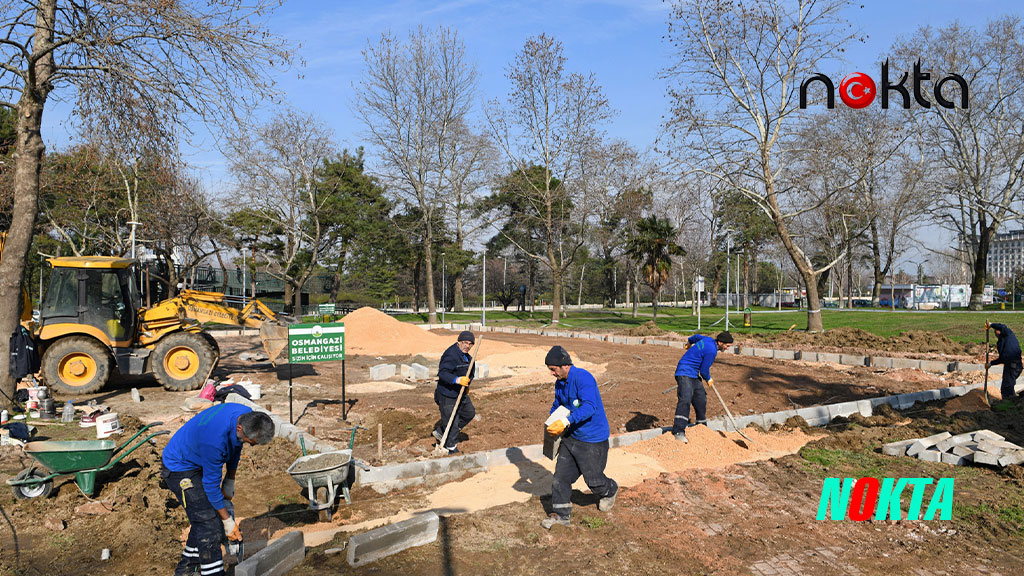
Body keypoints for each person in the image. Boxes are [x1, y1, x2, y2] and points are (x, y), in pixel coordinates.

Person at [161, 403, 275, 576]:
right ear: (239, 427)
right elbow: (211, 487)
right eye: (250, 442)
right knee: (209, 523)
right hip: (179, 467)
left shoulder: (245, 415)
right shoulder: (214, 441)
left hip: (198, 457)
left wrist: (230, 478)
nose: (250, 446)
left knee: (204, 517)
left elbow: (236, 446)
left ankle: (186, 569)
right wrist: (228, 522)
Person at [542, 345, 618, 529]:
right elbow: (558, 404)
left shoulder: (583, 378)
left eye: (553, 369)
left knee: (594, 481)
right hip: (571, 437)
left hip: (592, 439)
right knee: (560, 478)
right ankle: (561, 516)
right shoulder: (560, 383)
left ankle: (610, 489)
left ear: (565, 366)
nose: (552, 373)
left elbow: (589, 407)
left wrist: (566, 421)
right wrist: (553, 421)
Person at [671, 331, 734, 443]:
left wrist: (689, 343)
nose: (727, 348)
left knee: (700, 399)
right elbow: (704, 371)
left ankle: (701, 427)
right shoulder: (712, 350)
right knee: (685, 399)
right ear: (720, 342)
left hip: (694, 374)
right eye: (727, 346)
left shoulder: (708, 339)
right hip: (684, 372)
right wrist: (709, 379)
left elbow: (694, 337)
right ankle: (678, 431)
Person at [433, 330, 477, 453]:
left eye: (470, 344)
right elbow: (442, 373)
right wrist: (457, 380)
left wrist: (467, 384)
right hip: (447, 394)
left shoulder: (467, 358)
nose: (467, 346)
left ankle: (442, 432)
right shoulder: (450, 355)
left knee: (469, 413)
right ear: (459, 342)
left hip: (460, 392)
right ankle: (451, 447)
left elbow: (470, 373)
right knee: (452, 422)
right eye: (464, 342)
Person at [988, 322, 1021, 400]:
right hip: (1009, 365)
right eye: (995, 331)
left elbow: (1003, 327)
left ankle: (1009, 404)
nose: (996, 333)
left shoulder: (1008, 334)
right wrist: (991, 363)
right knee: (1006, 387)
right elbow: (1002, 358)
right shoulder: (1001, 342)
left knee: (1007, 387)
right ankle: (1009, 403)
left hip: (1014, 365)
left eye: (997, 330)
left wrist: (991, 324)